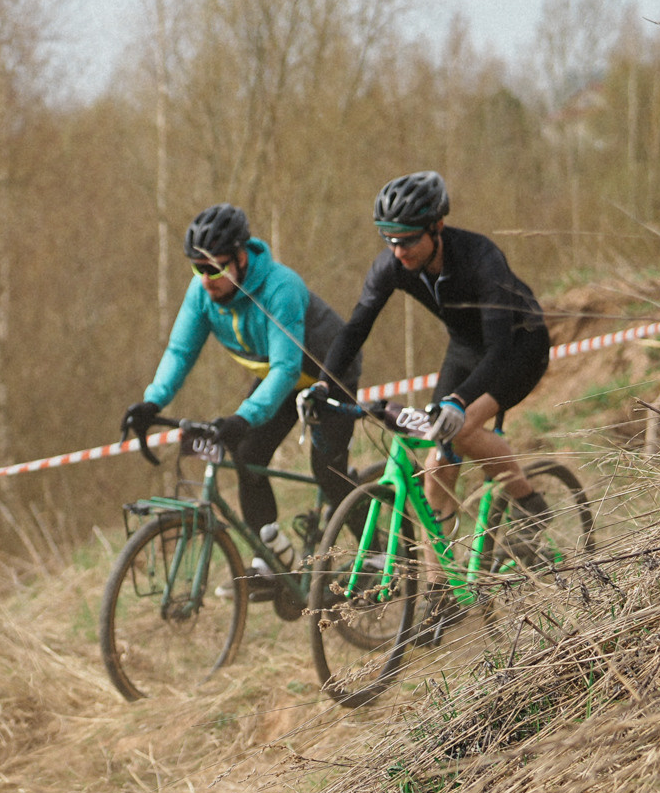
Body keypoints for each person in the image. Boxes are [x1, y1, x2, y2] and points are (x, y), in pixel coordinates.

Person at [314, 172, 556, 562]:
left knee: (460, 429)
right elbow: (356, 328)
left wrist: (459, 400)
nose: (398, 252)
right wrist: (324, 384)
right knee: (436, 465)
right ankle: (439, 586)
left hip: (518, 347)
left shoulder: (481, 258)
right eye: (389, 240)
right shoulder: (392, 266)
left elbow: (498, 348)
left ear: (436, 226)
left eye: (408, 240)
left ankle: (530, 505)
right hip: (465, 348)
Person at [119, 204, 358, 599]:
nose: (206, 279)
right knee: (246, 453)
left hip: (327, 377)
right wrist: (152, 402)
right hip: (278, 379)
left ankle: (380, 555)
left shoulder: (280, 288)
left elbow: (286, 368)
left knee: (328, 472)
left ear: (241, 257)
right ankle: (273, 562)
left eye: (215, 269)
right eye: (198, 268)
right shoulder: (202, 293)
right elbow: (180, 352)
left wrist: (245, 416)